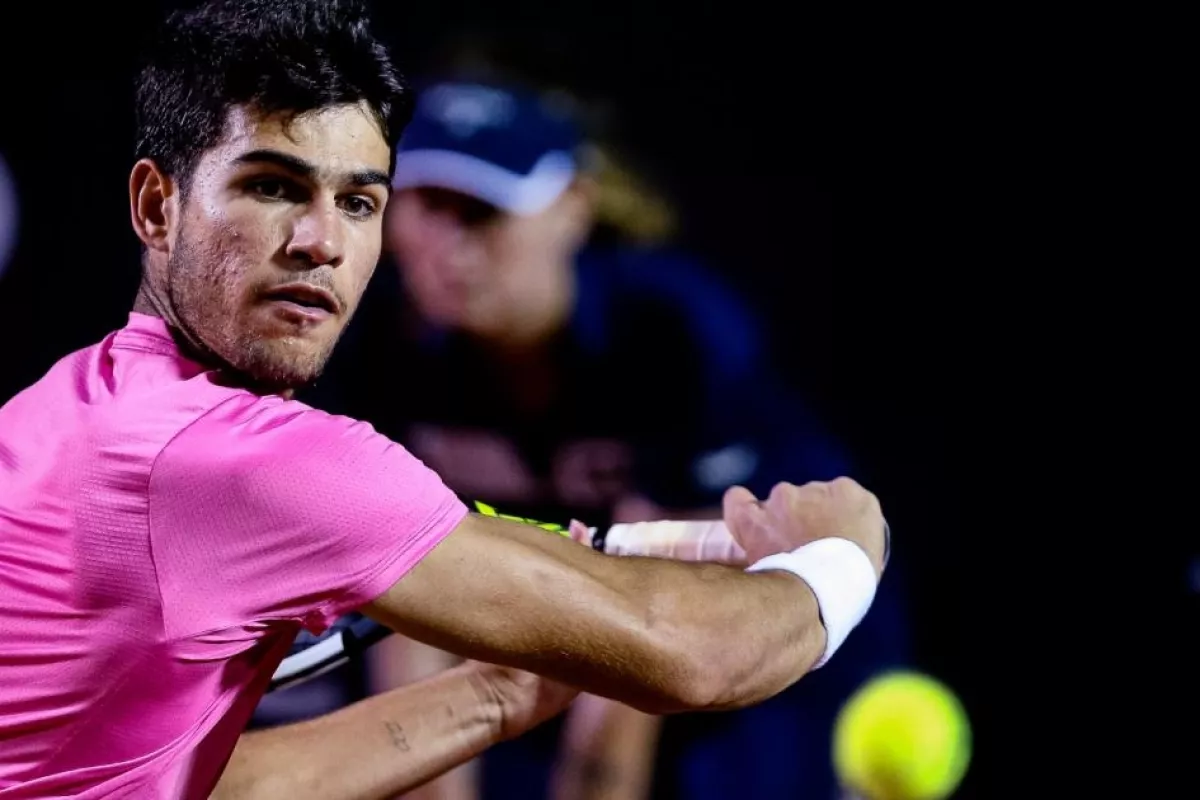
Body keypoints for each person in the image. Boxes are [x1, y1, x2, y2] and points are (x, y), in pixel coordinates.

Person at [0, 1, 890, 798]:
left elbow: (212, 779)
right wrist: (845, 557)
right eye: (272, 187)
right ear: (157, 207)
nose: (321, 242)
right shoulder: (252, 460)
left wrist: (507, 683)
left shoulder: (51, 414)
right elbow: (690, 655)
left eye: (358, 202)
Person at [301, 44, 910, 800]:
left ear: (574, 207)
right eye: (421, 204)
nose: (444, 245)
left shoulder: (671, 331)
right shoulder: (378, 340)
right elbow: (414, 606)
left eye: (481, 211)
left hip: (736, 627)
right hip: (540, 626)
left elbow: (663, 635)